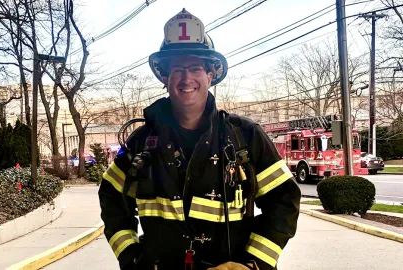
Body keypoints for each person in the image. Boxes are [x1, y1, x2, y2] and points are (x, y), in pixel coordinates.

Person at [98, 8, 301, 270]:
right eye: (177, 69)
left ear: (211, 75)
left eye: (195, 67)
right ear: (165, 77)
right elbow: (111, 197)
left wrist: (255, 263)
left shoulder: (246, 137)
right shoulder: (141, 142)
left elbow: (285, 200)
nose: (186, 78)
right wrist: (130, 256)